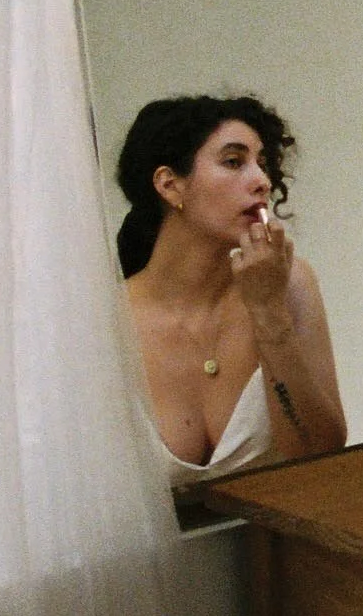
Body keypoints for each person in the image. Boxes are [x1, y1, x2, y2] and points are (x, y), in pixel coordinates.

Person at [115, 95, 346, 484]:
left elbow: (318, 453)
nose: (262, 181)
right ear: (170, 185)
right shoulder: (107, 320)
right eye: (234, 162)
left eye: (263, 165)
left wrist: (269, 310)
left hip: (279, 543)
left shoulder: (291, 284)